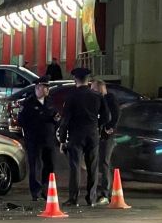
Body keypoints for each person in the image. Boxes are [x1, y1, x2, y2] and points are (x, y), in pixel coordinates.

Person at [57, 68, 109, 207]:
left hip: (76, 135)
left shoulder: (71, 97)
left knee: (75, 167)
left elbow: (65, 120)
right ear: (88, 80)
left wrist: (62, 140)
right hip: (93, 134)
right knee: (92, 167)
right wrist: (98, 126)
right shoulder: (97, 96)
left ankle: (73, 198)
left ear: (75, 80)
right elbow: (107, 116)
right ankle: (91, 198)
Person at [17, 76, 62, 201]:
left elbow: (56, 117)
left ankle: (46, 190)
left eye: (47, 88)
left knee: (50, 165)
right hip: (34, 139)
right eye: (45, 87)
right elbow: (21, 121)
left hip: (49, 139)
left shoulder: (50, 102)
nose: (47, 90)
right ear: (38, 88)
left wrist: (56, 120)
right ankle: (35, 192)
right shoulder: (28, 103)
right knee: (35, 166)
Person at [91, 79, 120, 205]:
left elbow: (115, 115)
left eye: (93, 89)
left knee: (104, 163)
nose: (92, 91)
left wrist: (110, 127)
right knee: (99, 163)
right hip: (99, 135)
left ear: (100, 89)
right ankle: (100, 191)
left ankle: (105, 193)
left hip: (107, 136)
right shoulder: (98, 100)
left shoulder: (109, 98)